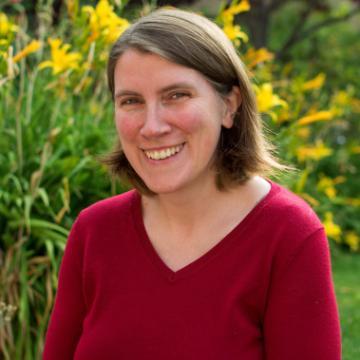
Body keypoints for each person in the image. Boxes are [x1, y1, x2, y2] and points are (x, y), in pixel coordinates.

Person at [43, 8, 341, 360]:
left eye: (176, 95)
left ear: (229, 105)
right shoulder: (94, 231)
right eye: (131, 101)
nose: (152, 126)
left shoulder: (287, 234)